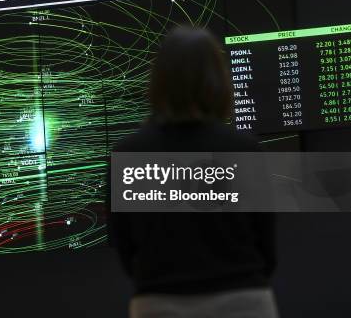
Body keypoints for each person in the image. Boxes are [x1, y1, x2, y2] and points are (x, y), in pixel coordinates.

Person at [109, 27, 278, 318]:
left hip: (158, 303)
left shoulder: (127, 154)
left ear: (158, 82)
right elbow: (267, 247)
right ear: (218, 81)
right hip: (244, 301)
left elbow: (125, 249)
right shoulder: (244, 149)